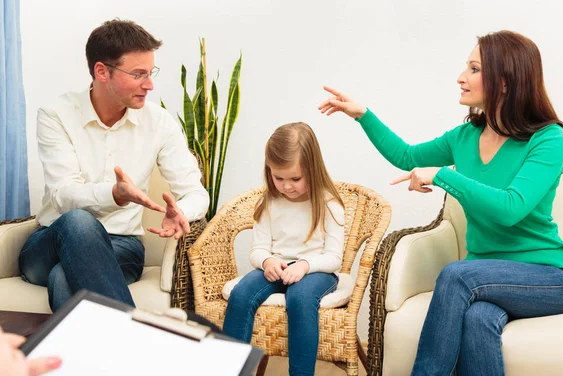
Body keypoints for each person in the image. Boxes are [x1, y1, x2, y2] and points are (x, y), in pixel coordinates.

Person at [319, 30, 563, 376]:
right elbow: (406, 155)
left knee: (456, 276)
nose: (460, 77)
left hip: (544, 279)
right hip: (484, 275)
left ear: (504, 81)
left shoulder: (548, 139)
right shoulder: (465, 136)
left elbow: (511, 208)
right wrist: (363, 114)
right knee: (477, 320)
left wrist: (442, 175)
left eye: (473, 69)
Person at [19, 20, 209, 312]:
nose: (150, 84)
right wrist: (115, 195)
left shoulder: (159, 123)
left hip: (121, 246)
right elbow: (63, 195)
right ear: (101, 71)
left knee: (63, 278)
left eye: (150, 73)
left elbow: (197, 193)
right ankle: (141, 342)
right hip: (50, 242)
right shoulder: (56, 115)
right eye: (138, 74)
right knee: (78, 221)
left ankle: (110, 354)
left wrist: (180, 211)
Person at [222, 122, 345, 376]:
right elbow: (257, 250)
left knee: (299, 298)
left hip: (315, 271)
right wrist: (267, 261)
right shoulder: (267, 202)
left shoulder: (329, 204)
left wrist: (304, 266)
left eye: (295, 179)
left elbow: (334, 259)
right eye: (279, 178)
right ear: (269, 171)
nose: (287, 186)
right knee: (241, 293)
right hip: (277, 267)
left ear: (312, 169)